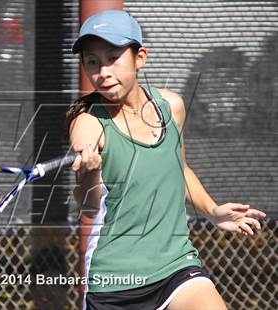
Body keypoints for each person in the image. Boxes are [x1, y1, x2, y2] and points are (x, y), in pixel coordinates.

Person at [66, 10, 266, 310]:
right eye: (92, 61)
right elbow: (89, 206)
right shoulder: (88, 123)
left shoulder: (171, 106)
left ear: (140, 57)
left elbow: (179, 169)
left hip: (176, 265)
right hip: (115, 283)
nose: (103, 71)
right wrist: (89, 174)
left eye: (113, 57)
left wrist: (212, 211)